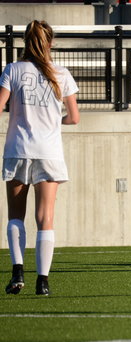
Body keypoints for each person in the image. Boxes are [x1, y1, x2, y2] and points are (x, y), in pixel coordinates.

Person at [1, 20, 80, 296]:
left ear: (25, 41)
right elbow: (74, 117)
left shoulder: (12, 69)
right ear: (51, 43)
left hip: (18, 149)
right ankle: (42, 281)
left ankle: (17, 272)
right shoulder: (62, 73)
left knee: (16, 216)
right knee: (45, 218)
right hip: (49, 152)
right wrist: (55, 122)